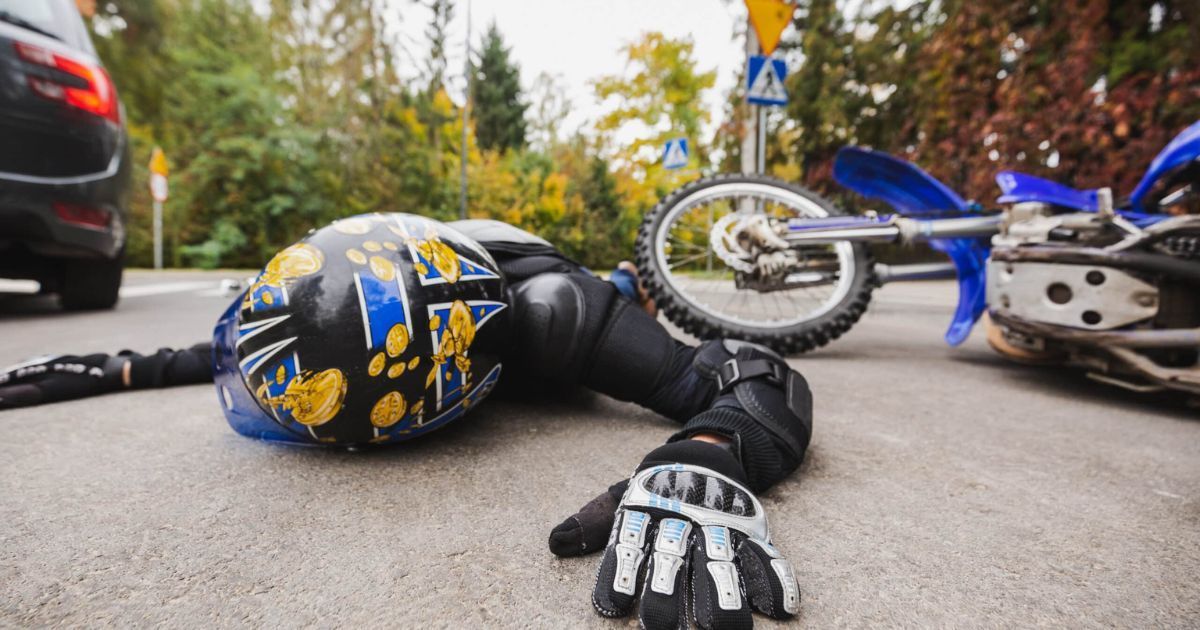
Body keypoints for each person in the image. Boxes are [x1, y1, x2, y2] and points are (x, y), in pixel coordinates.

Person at [0, 213, 810, 629]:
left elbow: (749, 374)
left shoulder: (561, 322)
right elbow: (299, 335)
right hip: (454, 253)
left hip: (557, 280)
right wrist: (126, 366)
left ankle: (625, 275)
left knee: (616, 294)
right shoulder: (356, 259)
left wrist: (709, 451)